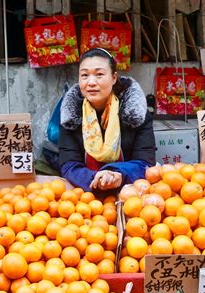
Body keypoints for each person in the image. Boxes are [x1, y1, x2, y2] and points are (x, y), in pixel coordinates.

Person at [59, 48, 156, 193]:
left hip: (130, 191)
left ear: (114, 77)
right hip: (87, 193)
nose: (91, 82)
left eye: (99, 74)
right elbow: (69, 165)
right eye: (84, 75)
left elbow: (145, 162)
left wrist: (117, 174)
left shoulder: (135, 113)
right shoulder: (71, 117)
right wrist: (97, 179)